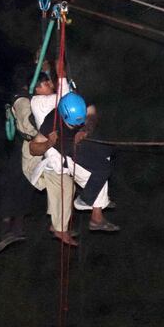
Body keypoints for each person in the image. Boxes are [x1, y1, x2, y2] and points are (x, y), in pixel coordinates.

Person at [30, 91, 119, 245]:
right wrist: (49, 144)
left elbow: (92, 113)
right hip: (69, 148)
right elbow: (33, 148)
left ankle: (95, 203)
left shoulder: (79, 102)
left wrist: (85, 130)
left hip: (84, 139)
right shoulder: (51, 123)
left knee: (109, 150)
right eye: (75, 123)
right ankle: (84, 200)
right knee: (104, 167)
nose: (78, 123)